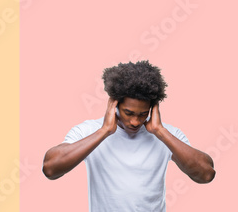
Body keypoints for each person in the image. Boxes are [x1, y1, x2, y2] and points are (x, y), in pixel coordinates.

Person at [42, 61, 215, 211]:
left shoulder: (166, 135)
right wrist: (104, 131)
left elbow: (206, 174)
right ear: (113, 103)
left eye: (143, 114)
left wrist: (160, 132)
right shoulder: (89, 131)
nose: (135, 121)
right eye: (128, 113)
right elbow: (50, 168)